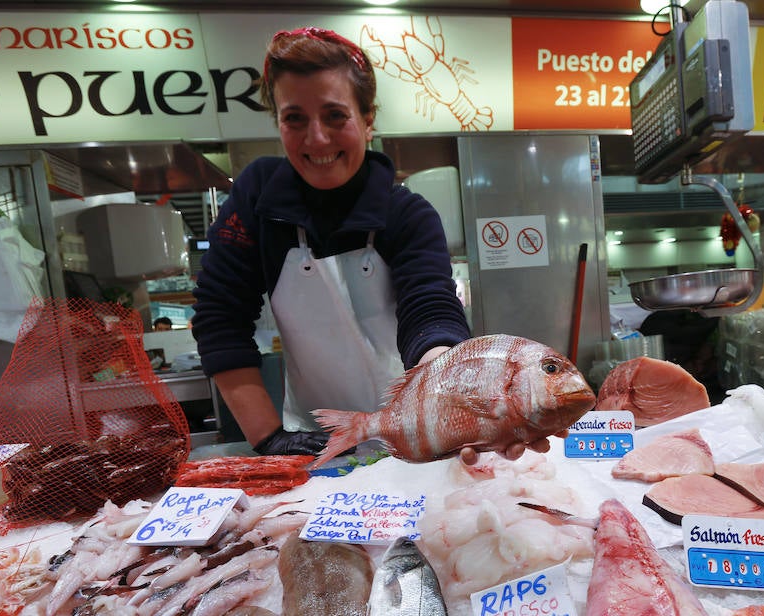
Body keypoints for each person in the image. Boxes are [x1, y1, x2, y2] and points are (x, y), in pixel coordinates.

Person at [192, 27, 547, 464]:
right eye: (294, 118)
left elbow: (429, 308)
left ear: (367, 118)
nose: (316, 139)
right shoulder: (257, 199)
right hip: (316, 443)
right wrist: (269, 438)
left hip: (421, 434)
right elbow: (219, 315)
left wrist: (454, 391)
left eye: (335, 115)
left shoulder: (407, 214)